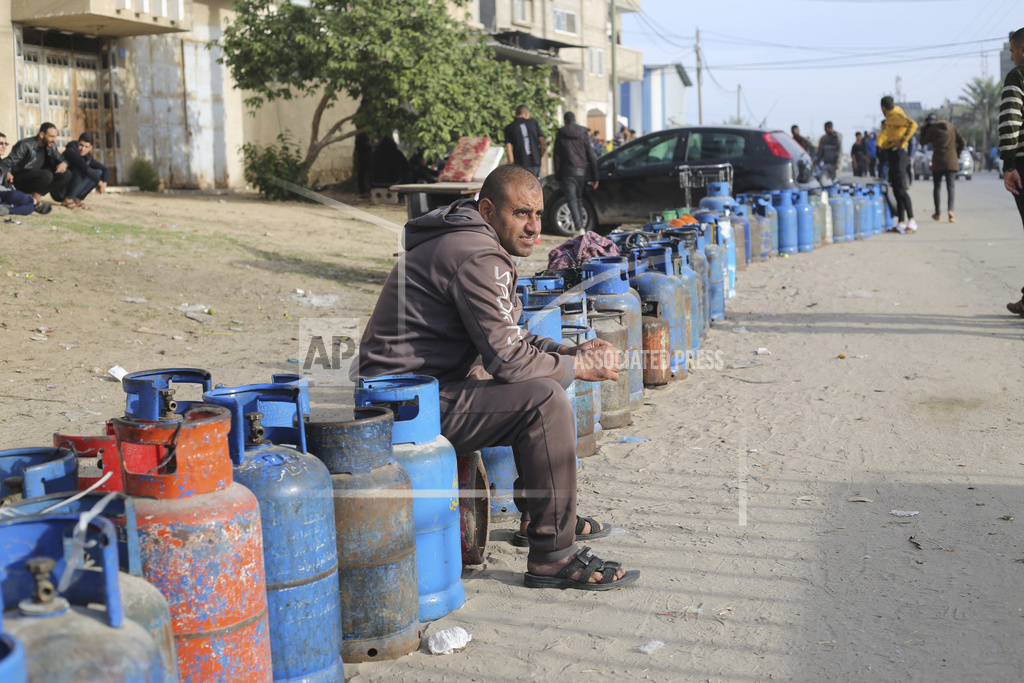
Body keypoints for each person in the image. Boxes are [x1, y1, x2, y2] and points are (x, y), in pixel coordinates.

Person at [358, 164, 640, 591]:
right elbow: (509, 360)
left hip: (423, 391)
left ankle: (539, 518)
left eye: (539, 214)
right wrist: (578, 367)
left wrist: (569, 352)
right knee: (543, 401)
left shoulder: (472, 240)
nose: (534, 227)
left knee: (539, 384)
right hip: (402, 409)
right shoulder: (477, 254)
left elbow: (510, 337)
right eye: (521, 213)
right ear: (488, 209)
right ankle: (553, 555)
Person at [1000, 28, 1024, 316]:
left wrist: (1009, 165)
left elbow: (1010, 121)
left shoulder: (1017, 77)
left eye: (1012, 49)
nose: (1011, 55)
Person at [0, 122, 70, 213]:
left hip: (40, 177)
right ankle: (32, 200)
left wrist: (64, 163)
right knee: (46, 175)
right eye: (51, 136)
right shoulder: (25, 145)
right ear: (41, 134)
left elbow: (60, 159)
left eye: (55, 136)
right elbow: (7, 162)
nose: (54, 140)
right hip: (20, 178)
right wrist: (8, 172)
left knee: (66, 174)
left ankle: (35, 196)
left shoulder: (51, 146)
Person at [552, 111, 599, 233]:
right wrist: (595, 176)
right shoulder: (583, 133)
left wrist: (557, 175)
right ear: (575, 120)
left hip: (567, 172)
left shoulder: (561, 134)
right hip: (581, 172)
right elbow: (591, 155)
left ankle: (579, 228)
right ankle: (581, 227)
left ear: (565, 121)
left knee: (572, 199)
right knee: (578, 199)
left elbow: (557, 156)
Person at [877, 96, 918, 233]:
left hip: (899, 154)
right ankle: (901, 222)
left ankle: (911, 221)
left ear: (883, 107)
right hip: (892, 154)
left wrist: (903, 141)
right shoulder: (891, 117)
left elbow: (913, 124)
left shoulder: (896, 115)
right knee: (895, 190)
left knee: (901, 190)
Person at [919, 112, 965, 223]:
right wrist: (956, 154)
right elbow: (963, 142)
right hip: (951, 162)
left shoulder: (932, 130)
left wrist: (923, 127)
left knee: (937, 187)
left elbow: (922, 142)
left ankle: (938, 213)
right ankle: (951, 210)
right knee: (951, 187)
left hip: (938, 162)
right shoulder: (952, 128)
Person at [51, 132, 109, 210]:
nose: (82, 149)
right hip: (59, 191)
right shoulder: (70, 152)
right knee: (82, 170)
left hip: (70, 190)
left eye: (86, 146)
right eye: (81, 145)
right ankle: (68, 199)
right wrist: (100, 183)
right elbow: (85, 168)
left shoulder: (87, 157)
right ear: (77, 143)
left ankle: (77, 199)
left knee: (99, 172)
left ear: (91, 148)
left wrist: (104, 183)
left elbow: (105, 169)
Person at [0, 132, 38, 217]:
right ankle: (32, 200)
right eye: (1, 143)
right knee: (15, 195)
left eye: (5, 143)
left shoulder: (3, 163)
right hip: (3, 194)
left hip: (5, 195)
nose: (4, 146)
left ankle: (7, 211)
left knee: (30, 207)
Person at [503, 105, 546, 177]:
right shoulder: (534, 123)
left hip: (520, 165)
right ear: (526, 113)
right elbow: (542, 143)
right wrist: (539, 156)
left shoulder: (509, 127)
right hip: (535, 162)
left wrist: (511, 165)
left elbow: (508, 150)